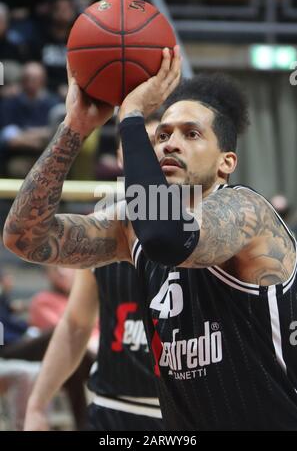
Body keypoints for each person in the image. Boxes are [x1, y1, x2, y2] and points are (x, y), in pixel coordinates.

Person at [3, 47, 297, 430]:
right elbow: (23, 238)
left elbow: (171, 238)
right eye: (162, 135)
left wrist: (131, 115)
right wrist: (74, 127)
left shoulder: (247, 213)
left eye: (191, 134)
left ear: (227, 162)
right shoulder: (131, 227)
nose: (170, 143)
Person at [24, 117, 164, 431]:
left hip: (184, 412)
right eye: (137, 144)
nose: (149, 151)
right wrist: (37, 404)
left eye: (158, 140)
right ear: (119, 157)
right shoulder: (102, 227)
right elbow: (75, 324)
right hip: (114, 406)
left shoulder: (203, 229)